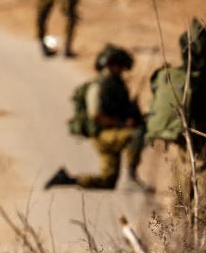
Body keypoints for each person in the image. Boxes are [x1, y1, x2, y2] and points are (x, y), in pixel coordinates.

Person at [144, 19, 206, 211]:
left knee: (181, 208)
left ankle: (180, 241)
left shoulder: (180, 77)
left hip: (184, 153)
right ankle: (197, 241)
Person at [45, 45, 148, 191]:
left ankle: (67, 179)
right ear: (110, 65)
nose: (121, 70)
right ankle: (131, 177)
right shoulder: (99, 86)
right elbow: (96, 116)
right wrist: (122, 124)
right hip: (103, 135)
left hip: (111, 134)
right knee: (136, 134)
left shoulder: (117, 85)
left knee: (107, 182)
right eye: (119, 66)